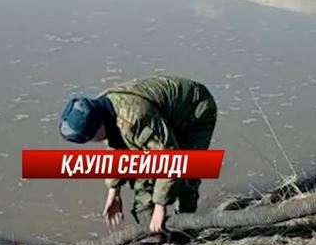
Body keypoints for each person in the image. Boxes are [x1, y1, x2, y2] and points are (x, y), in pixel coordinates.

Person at [59, 76, 218, 233]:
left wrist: (160, 206)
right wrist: (114, 192)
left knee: (187, 173)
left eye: (91, 138)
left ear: (100, 125)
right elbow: (117, 149)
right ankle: (149, 227)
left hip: (195, 111)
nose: (92, 142)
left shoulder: (133, 120)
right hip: (159, 117)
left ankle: (185, 228)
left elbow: (170, 158)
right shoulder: (102, 110)